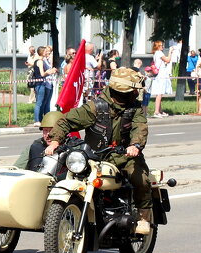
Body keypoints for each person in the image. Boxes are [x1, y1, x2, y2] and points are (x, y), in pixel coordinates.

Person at [45, 67, 154, 235]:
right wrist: (54, 142)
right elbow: (67, 121)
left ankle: (143, 218)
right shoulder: (95, 107)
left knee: (141, 178)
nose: (135, 94)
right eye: (133, 90)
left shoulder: (135, 109)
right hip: (95, 158)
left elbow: (140, 128)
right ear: (123, 91)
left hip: (126, 157)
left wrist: (135, 145)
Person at [148, 40, 174, 117]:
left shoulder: (156, 53)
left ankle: (160, 110)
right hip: (161, 74)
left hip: (160, 73)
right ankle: (156, 111)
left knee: (160, 92)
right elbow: (168, 60)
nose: (163, 46)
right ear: (158, 46)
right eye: (161, 45)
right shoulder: (159, 52)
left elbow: (163, 62)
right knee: (159, 93)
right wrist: (170, 52)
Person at [33, 45, 56, 125]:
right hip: (40, 84)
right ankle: (37, 120)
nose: (47, 52)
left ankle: (41, 119)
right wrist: (49, 72)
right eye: (45, 51)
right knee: (39, 102)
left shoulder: (43, 60)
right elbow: (42, 74)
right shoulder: (40, 61)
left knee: (43, 102)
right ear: (42, 52)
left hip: (43, 83)